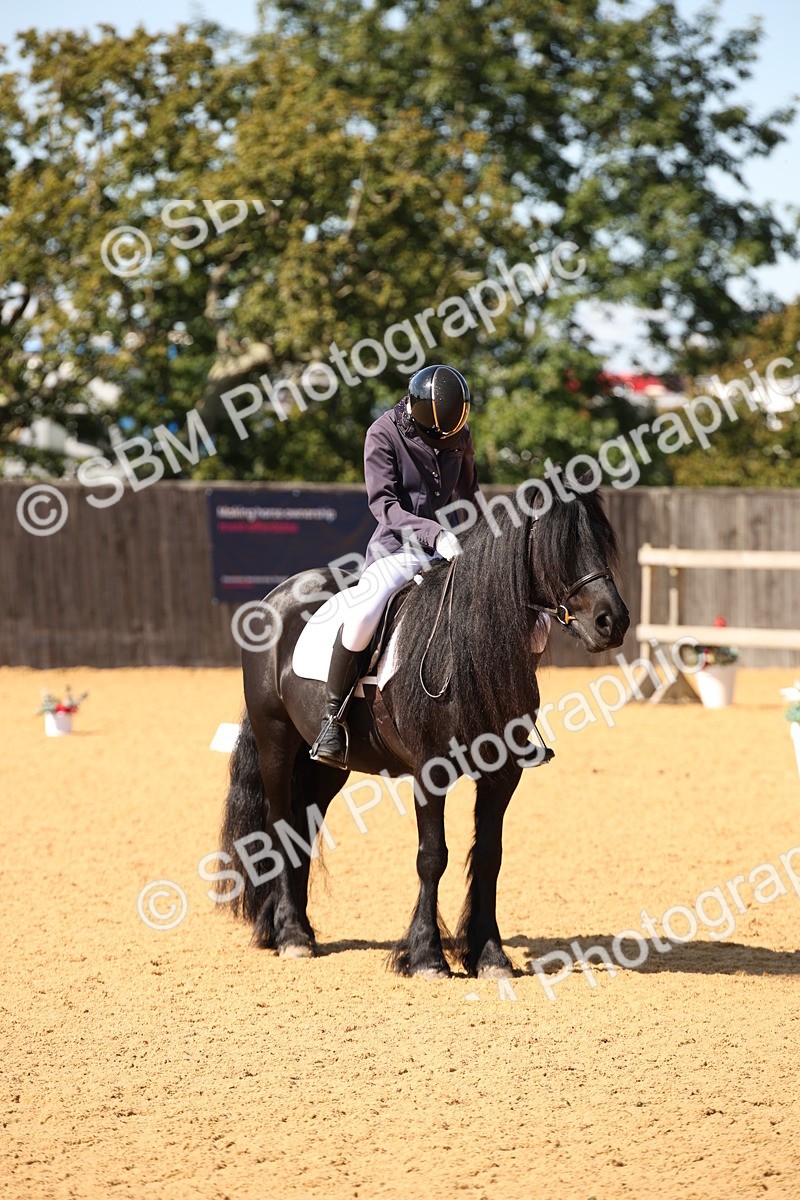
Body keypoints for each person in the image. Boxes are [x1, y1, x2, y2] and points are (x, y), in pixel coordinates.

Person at [310, 363, 478, 769]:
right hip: (395, 549)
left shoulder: (458, 433)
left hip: (446, 551)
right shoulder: (382, 433)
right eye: (439, 435)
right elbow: (384, 505)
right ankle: (332, 719)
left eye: (453, 434)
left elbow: (470, 494)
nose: (448, 441)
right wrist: (433, 532)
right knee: (364, 613)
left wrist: (484, 543)